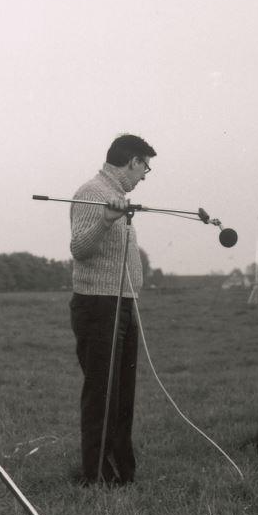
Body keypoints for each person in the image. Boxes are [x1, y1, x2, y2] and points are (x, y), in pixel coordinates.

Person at [68, 133, 156, 484]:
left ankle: (121, 470)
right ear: (132, 160)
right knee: (102, 392)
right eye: (145, 166)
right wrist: (105, 220)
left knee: (122, 393)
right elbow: (79, 247)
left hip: (123, 305)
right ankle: (96, 475)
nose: (146, 174)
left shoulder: (117, 196)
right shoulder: (92, 193)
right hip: (98, 305)